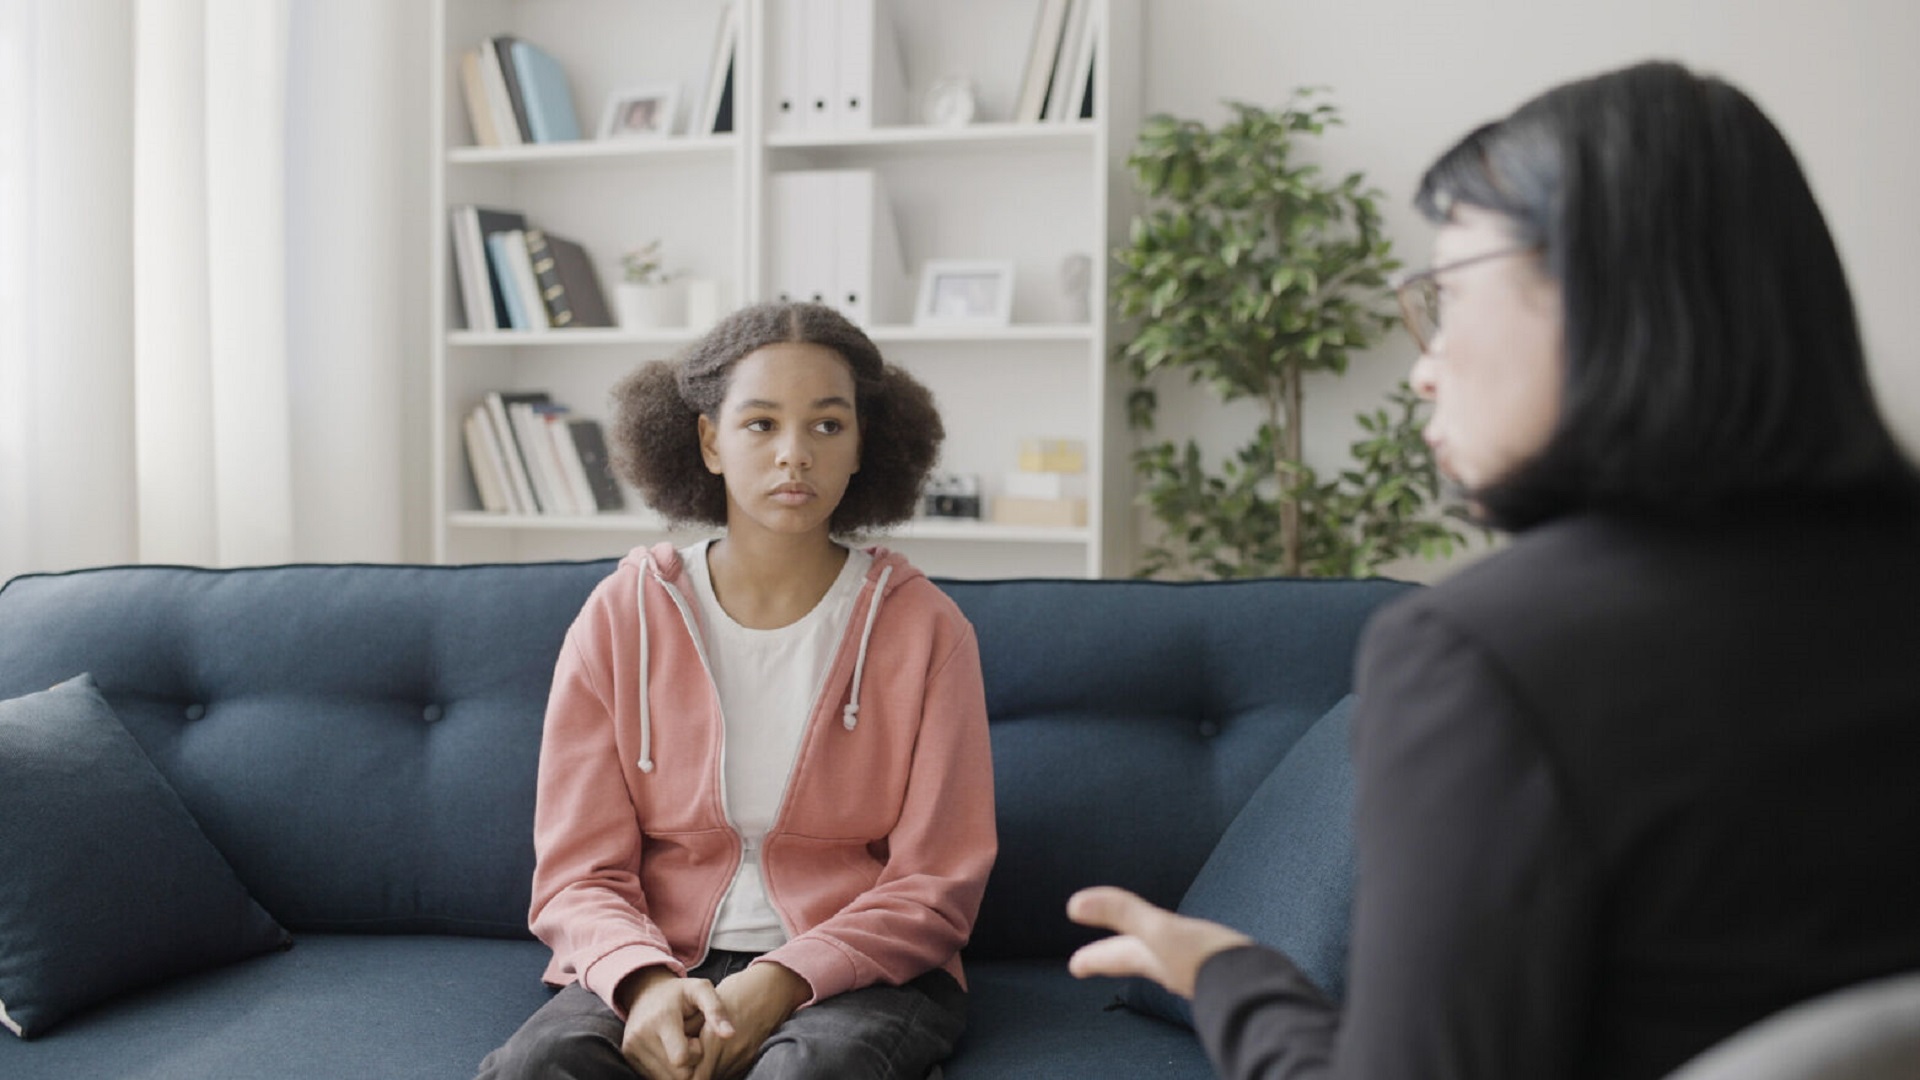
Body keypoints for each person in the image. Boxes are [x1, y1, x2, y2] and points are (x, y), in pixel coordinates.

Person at [1066, 59, 1920, 1080]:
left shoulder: (1489, 658)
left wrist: (1231, 980)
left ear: (1600, 295)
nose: (1423, 367)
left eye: (1447, 295)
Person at [478, 301, 997, 1080]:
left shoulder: (926, 628)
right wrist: (645, 983)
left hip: (858, 966)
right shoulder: (622, 615)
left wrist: (779, 982)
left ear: (863, 445)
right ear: (710, 440)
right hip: (660, 956)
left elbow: (934, 886)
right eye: (761, 423)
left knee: (807, 1073)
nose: (795, 454)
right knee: (539, 1066)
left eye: (828, 425)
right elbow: (578, 874)